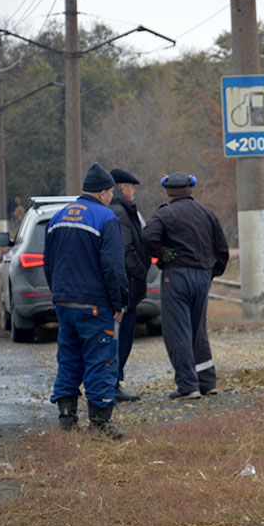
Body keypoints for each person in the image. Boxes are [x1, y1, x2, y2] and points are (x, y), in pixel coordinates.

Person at [44, 163, 128, 439]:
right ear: (103, 192)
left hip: (64, 303)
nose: (111, 198)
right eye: (110, 193)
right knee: (100, 359)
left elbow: (49, 263)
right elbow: (113, 266)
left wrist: (58, 294)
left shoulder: (58, 217)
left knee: (69, 358)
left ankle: (67, 421)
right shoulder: (105, 218)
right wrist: (118, 302)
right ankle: (100, 424)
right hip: (95, 304)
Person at [142, 172, 228, 400]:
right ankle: (207, 382)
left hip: (177, 276)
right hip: (202, 276)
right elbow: (222, 249)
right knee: (198, 329)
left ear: (168, 192)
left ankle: (188, 386)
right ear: (191, 189)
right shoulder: (207, 214)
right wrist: (211, 274)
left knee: (177, 331)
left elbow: (147, 237)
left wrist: (161, 254)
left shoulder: (164, 214)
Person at [109, 168, 151, 403]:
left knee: (122, 336)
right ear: (123, 188)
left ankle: (114, 382)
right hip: (126, 286)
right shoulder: (120, 212)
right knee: (121, 337)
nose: (133, 192)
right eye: (132, 187)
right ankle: (113, 384)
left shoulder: (119, 210)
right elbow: (125, 250)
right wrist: (140, 270)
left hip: (126, 286)